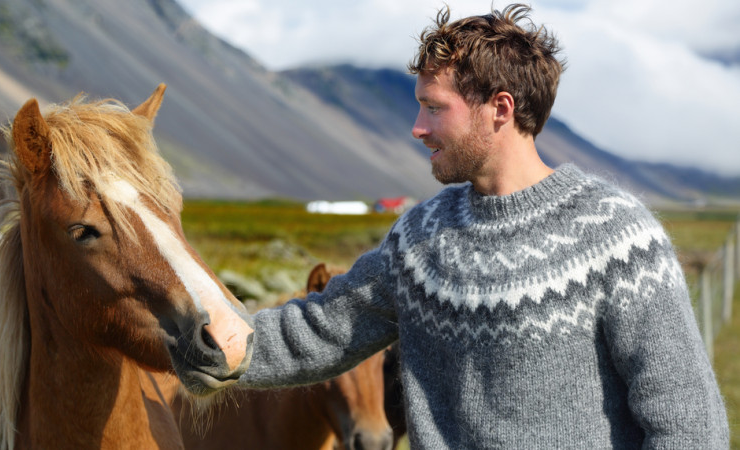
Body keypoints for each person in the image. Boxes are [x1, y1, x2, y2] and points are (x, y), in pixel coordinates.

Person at [237, 4, 729, 448]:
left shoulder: (619, 237)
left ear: (500, 108)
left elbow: (689, 424)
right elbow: (318, 330)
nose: (417, 127)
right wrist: (196, 336)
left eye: (434, 108)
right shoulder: (418, 239)